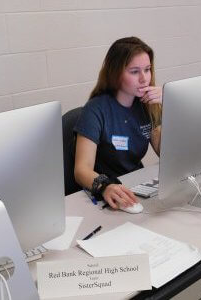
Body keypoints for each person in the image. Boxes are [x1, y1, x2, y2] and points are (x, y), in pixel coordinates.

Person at [74, 36, 162, 210]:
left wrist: (170, 104)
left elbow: (165, 152)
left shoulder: (146, 105)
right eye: (135, 71)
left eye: (147, 69)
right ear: (116, 73)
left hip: (136, 187)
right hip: (106, 194)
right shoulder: (95, 109)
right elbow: (81, 170)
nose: (144, 79)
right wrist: (105, 186)